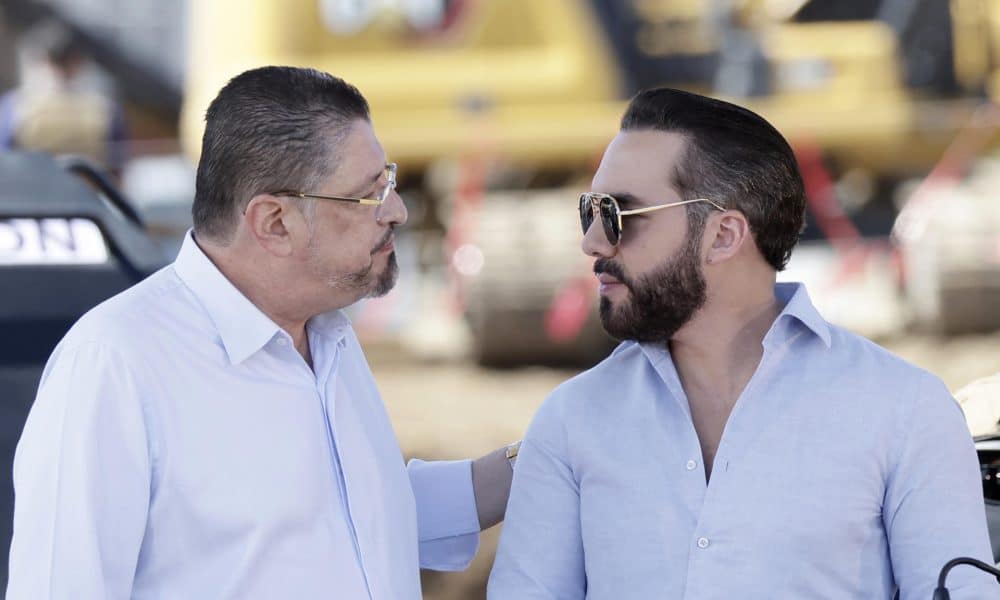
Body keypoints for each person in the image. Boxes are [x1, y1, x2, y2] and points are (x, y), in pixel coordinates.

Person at [7, 66, 515, 599]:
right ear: (274, 221)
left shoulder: (326, 335)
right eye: (369, 193)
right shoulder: (114, 364)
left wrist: (544, 454)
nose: (398, 209)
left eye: (387, 179)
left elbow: (359, 516)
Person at [488, 88, 997, 599]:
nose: (593, 242)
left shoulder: (904, 411)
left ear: (724, 235)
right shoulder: (571, 420)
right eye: (590, 211)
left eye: (620, 213)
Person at [0, 20, 127, 174]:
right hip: (85, 193)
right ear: (79, 63)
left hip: (31, 192)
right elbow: (117, 172)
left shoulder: (16, 106)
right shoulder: (104, 110)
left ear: (44, 60)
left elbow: (5, 161)